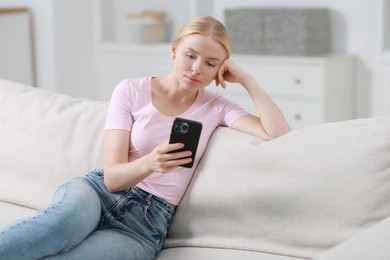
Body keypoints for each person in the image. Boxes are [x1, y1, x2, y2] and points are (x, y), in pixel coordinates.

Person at [0, 15, 291, 259]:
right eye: (191, 55)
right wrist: (151, 163)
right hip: (99, 193)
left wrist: (249, 81)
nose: (197, 68)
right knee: (62, 226)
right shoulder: (130, 90)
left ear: (222, 69)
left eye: (211, 63)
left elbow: (279, 134)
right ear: (174, 50)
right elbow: (112, 178)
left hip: (143, 225)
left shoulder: (217, 107)